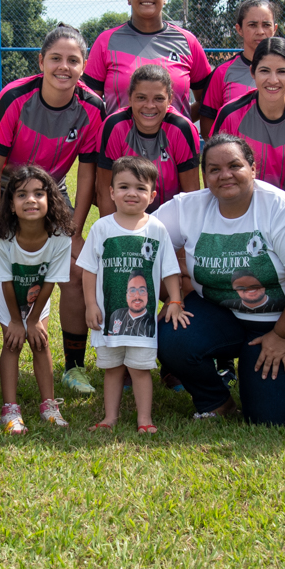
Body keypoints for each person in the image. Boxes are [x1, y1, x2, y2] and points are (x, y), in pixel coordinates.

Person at [155, 136, 285, 425]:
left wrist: (283, 334)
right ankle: (215, 401)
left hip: (283, 317)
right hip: (222, 313)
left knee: (272, 417)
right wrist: (174, 294)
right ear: (205, 176)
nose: (224, 175)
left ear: (253, 168)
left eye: (234, 165)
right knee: (173, 334)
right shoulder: (187, 208)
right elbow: (141, 242)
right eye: (213, 169)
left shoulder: (280, 209)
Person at [0, 24, 106, 397]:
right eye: (55, 58)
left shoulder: (92, 106)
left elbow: (87, 172)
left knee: (72, 271)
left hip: (50, 191)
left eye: (73, 60)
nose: (63, 67)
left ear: (84, 66)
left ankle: (73, 367)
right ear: (41, 62)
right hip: (2, 189)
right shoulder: (15, 96)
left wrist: (76, 229)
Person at [79, 156, 182, 432]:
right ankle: (109, 418)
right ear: (111, 192)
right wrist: (90, 304)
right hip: (108, 319)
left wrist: (174, 299)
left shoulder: (157, 229)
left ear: (153, 194)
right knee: (112, 371)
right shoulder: (101, 228)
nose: (131, 193)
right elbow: (88, 270)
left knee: (140, 370)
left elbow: (171, 270)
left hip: (144, 324)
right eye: (123, 187)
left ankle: (144, 420)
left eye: (140, 187)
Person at [0, 164, 74, 433]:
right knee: (13, 342)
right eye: (22, 195)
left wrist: (34, 319)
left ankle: (49, 405)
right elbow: (4, 280)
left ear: (50, 199)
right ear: (11, 204)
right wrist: (16, 320)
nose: (31, 200)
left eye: (39, 194)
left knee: (40, 341)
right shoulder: (2, 236)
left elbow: (51, 281)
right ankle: (9, 410)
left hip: (39, 290)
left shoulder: (60, 236)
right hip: (6, 291)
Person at [82, 0, 212, 119]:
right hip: (120, 143)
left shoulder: (187, 41)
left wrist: (181, 124)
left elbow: (208, 102)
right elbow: (88, 106)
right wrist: (112, 129)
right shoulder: (106, 41)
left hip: (175, 143)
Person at [213, 36, 285, 209]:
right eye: (264, 71)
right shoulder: (230, 115)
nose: (273, 80)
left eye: (282, 71)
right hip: (245, 211)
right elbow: (216, 171)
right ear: (253, 72)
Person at [95, 62, 200, 215]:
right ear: (130, 98)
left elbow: (190, 195)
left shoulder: (182, 128)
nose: (150, 106)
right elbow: (104, 191)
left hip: (171, 222)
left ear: (170, 100)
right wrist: (113, 235)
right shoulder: (113, 126)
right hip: (126, 218)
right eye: (141, 98)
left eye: (158, 98)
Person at [196, 0, 285, 123]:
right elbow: (208, 127)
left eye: (266, 25)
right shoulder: (222, 73)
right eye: (252, 25)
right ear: (239, 29)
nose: (260, 31)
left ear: (274, 29)